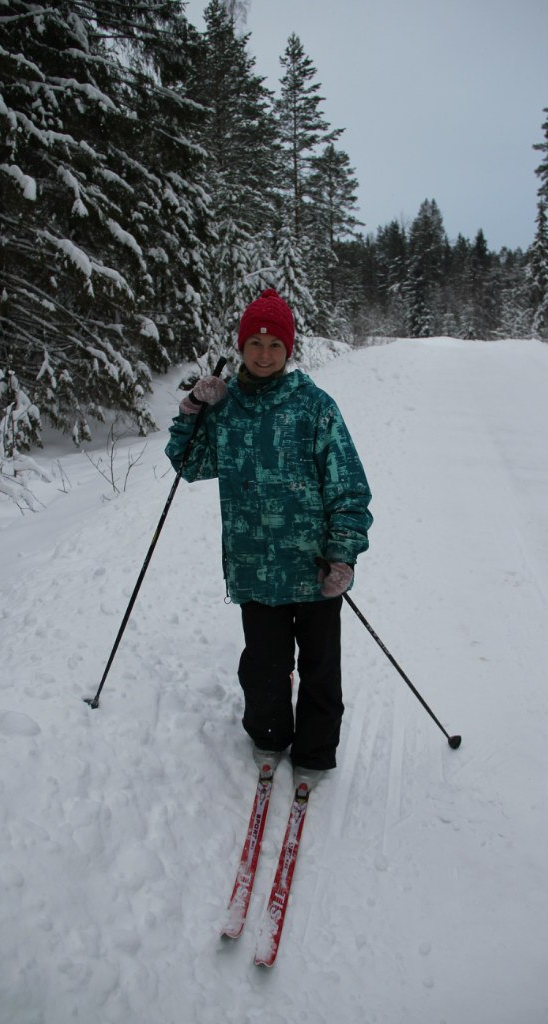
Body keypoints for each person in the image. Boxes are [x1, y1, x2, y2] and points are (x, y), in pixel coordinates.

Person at [166, 289, 372, 787]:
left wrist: (342, 555)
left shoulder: (314, 407)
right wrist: (194, 406)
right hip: (252, 565)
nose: (263, 354)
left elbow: (348, 486)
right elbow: (189, 464)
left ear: (288, 349)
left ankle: (316, 751)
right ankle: (269, 736)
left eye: (274, 344)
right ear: (241, 347)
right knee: (264, 664)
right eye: (254, 343)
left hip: (314, 565)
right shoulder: (225, 407)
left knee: (321, 668)